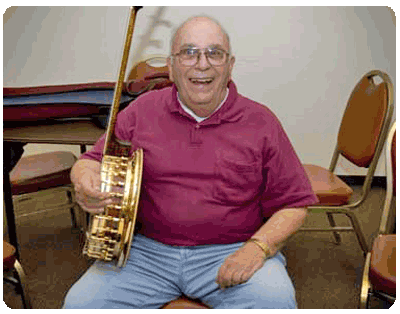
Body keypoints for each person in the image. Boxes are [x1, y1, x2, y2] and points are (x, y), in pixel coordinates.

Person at [63, 15, 318, 309]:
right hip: (145, 253)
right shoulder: (141, 111)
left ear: (230, 66)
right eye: (189, 52)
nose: (202, 64)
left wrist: (258, 248)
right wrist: (84, 180)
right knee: (80, 304)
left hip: (231, 250)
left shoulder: (261, 122)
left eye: (214, 53)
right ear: (171, 67)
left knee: (275, 302)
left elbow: (295, 204)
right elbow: (91, 161)